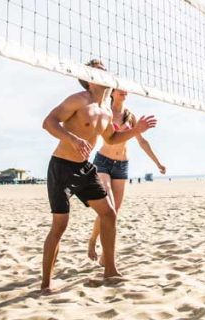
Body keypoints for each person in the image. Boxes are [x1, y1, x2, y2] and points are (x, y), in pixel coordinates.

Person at [40, 59, 157, 292]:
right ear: (90, 79)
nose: (106, 74)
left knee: (109, 214)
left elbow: (111, 138)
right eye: (99, 71)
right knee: (59, 226)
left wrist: (136, 130)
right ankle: (45, 285)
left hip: (84, 169)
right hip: (61, 167)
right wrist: (72, 138)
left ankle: (110, 270)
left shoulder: (105, 110)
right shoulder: (78, 100)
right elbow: (48, 122)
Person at [87, 88, 166, 263]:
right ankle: (93, 241)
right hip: (103, 162)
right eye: (119, 89)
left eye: (125, 89)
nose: (124, 91)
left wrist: (158, 163)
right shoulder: (106, 113)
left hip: (122, 165)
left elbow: (142, 142)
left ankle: (103, 253)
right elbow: (101, 136)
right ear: (112, 93)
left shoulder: (130, 116)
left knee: (114, 212)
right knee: (108, 207)